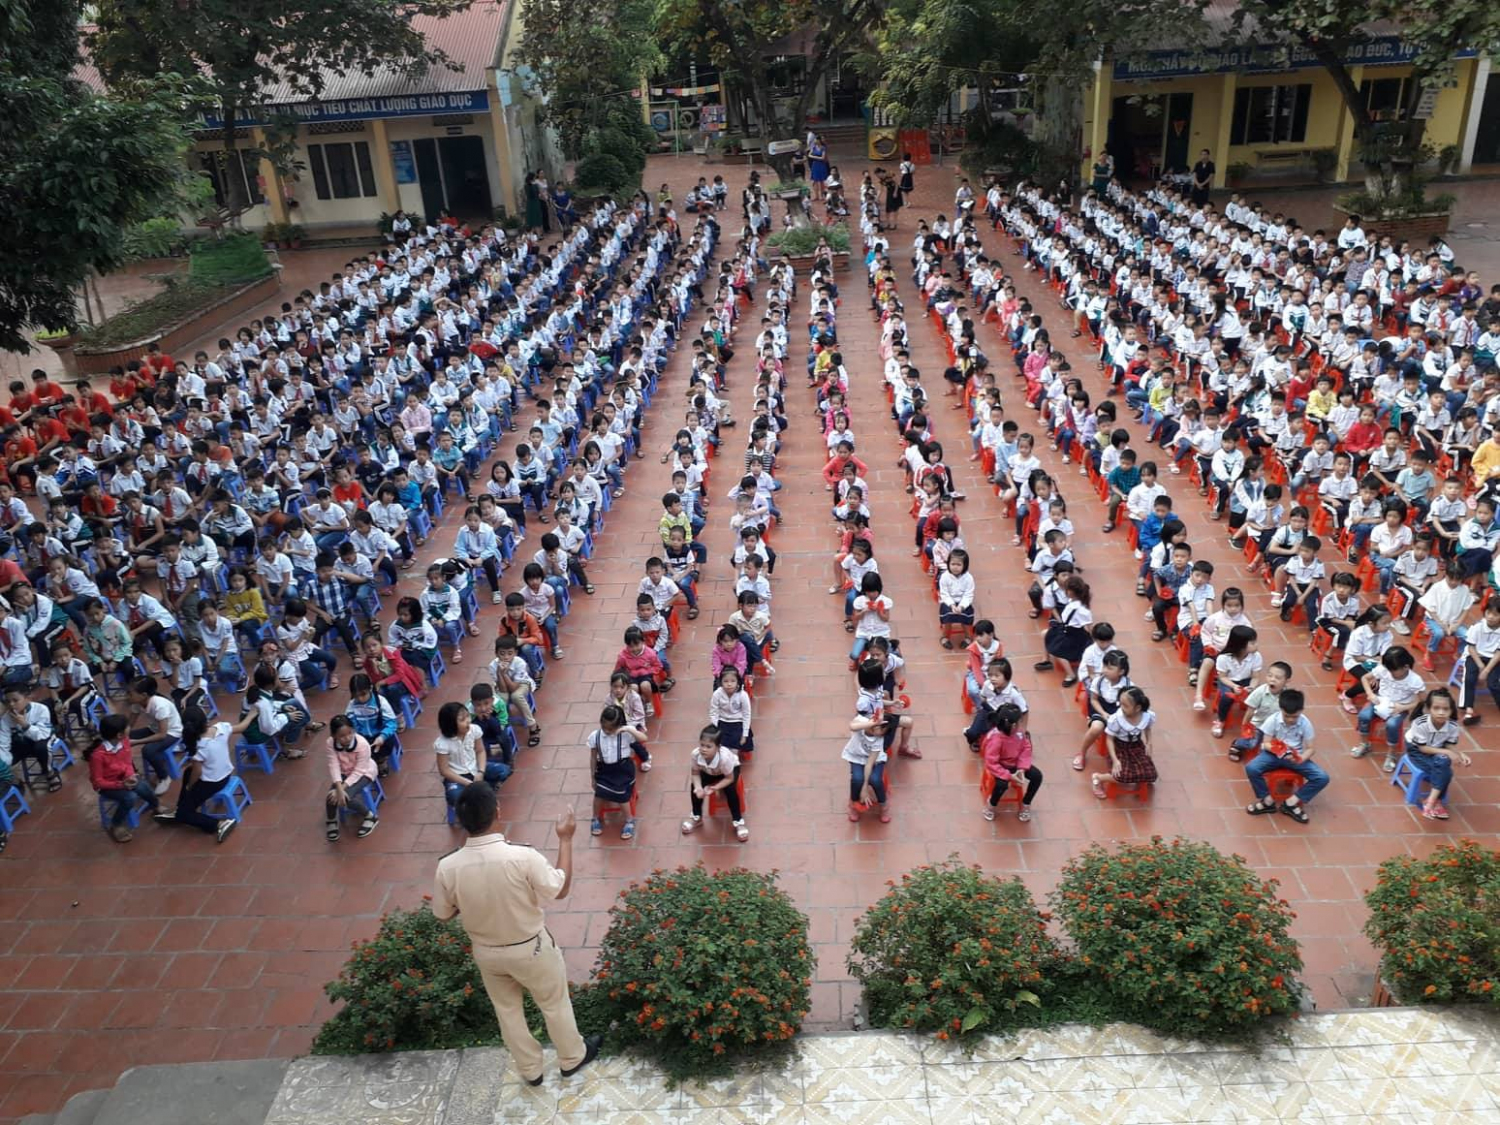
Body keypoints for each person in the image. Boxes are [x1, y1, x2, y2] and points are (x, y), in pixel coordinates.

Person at [431, 782, 601, 1086]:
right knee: (554, 1002)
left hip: (487, 952)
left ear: (461, 820)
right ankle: (572, 1057)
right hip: (531, 948)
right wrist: (565, 839)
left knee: (507, 1011)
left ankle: (530, 1070)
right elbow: (559, 890)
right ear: (497, 810)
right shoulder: (522, 857)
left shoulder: (447, 866)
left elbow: (443, 914)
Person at [154, 704, 246, 842]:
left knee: (184, 814)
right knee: (187, 772)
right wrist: (252, 714)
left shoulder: (199, 746)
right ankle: (181, 807)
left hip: (212, 782)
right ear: (205, 720)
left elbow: (198, 772)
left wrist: (189, 787)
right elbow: (241, 727)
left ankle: (219, 823)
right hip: (225, 774)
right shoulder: (221, 728)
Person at [1244, 688, 1329, 824]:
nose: (1290, 720)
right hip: (1272, 755)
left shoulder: (1305, 723)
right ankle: (1267, 800)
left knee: (1322, 777)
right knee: (1252, 768)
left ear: (1301, 710)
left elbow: (1311, 748)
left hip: (1296, 758)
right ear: (1281, 709)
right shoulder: (1273, 720)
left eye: (1294, 716)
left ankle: (1291, 803)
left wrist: (1300, 758)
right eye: (1286, 716)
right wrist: (1279, 751)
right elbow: (1266, 743)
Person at [88, 713, 160, 842]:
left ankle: (155, 805)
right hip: (108, 786)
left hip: (124, 778)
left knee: (142, 786)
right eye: (127, 727)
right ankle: (116, 824)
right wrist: (121, 785)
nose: (129, 728)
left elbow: (127, 762)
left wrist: (130, 775)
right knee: (130, 797)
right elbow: (98, 782)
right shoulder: (97, 756)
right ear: (119, 735)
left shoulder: (125, 742)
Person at [1402, 688, 1471, 820]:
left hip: (1436, 749)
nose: (1441, 712)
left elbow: (1450, 744)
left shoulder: (1452, 726)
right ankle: (1433, 802)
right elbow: (1422, 748)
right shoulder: (1420, 723)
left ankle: (1431, 802)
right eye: (1436, 708)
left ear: (1451, 711)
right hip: (1416, 749)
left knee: (1442, 764)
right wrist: (1447, 752)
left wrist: (1460, 754)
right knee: (1445, 770)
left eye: (1446, 709)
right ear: (1428, 709)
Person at [435, 701, 511, 809]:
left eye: (467, 717)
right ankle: (479, 793)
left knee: (504, 770)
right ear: (450, 725)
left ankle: (484, 789)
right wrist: (467, 783)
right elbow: (444, 770)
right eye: (462, 720)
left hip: (475, 768)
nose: (468, 721)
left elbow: (480, 751)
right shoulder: (442, 743)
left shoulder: (474, 730)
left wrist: (480, 772)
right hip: (457, 777)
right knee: (454, 796)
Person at [681, 724, 747, 841]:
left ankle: (738, 821)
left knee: (731, 791)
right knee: (694, 787)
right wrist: (698, 788)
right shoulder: (696, 755)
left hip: (728, 772)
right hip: (709, 771)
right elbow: (695, 773)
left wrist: (715, 788)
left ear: (717, 747)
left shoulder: (724, 758)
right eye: (702, 745)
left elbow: (729, 778)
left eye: (708, 746)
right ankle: (696, 816)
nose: (704, 749)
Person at [1091, 685, 1157, 798]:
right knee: (1121, 776)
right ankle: (1098, 777)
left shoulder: (1147, 716)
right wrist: (1115, 760)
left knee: (1151, 774)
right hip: (1119, 747)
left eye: (1125, 706)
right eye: (1120, 704)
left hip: (1136, 746)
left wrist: (1149, 743)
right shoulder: (1116, 719)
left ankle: (1138, 776)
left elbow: (1147, 728)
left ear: (1137, 708)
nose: (1121, 708)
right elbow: (1109, 739)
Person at [979, 703, 1041, 822]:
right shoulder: (996, 739)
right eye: (1019, 722)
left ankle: (1026, 803)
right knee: (1001, 785)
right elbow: (991, 762)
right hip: (1000, 766)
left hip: (1016, 764)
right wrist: (1008, 776)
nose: (1021, 724)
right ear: (1012, 725)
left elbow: (1026, 748)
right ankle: (991, 805)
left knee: (1037, 776)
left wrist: (1021, 768)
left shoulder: (1019, 733)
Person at [324, 714, 379, 841]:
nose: (347, 738)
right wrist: (338, 787)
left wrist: (342, 788)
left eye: (350, 733)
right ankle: (331, 820)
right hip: (344, 772)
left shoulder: (362, 745)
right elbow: (333, 765)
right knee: (331, 795)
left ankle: (370, 816)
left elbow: (359, 771)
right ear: (334, 736)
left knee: (346, 797)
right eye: (342, 736)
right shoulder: (330, 743)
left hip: (364, 772)